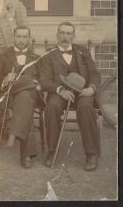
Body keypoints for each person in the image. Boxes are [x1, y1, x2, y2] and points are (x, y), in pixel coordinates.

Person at [40, 22, 101, 171]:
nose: (65, 36)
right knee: (52, 107)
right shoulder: (49, 54)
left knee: (86, 107)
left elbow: (94, 73)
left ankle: (91, 153)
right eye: (62, 33)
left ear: (73, 36)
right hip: (60, 92)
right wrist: (60, 90)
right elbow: (45, 80)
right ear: (57, 35)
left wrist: (91, 89)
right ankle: (52, 150)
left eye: (68, 33)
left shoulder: (82, 51)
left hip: (83, 91)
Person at [0, 25, 39, 168]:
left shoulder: (37, 58)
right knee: (26, 103)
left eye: (25, 37)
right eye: (19, 36)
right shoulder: (2, 57)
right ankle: (26, 155)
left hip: (27, 96)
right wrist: (5, 79)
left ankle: (14, 134)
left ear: (29, 39)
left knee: (25, 97)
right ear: (14, 37)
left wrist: (38, 83)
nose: (21, 40)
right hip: (7, 96)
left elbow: (43, 79)